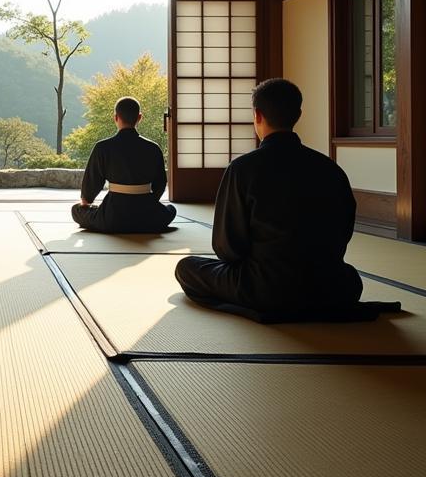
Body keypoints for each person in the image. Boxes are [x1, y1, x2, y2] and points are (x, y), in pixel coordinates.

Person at [175, 78, 364, 320]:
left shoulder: (242, 168)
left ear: (257, 115)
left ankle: (263, 307)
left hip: (266, 288)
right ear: (298, 114)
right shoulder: (330, 168)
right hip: (330, 288)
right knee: (351, 278)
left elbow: (227, 248)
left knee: (187, 268)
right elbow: (343, 233)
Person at [72, 96, 177, 233]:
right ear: (139, 117)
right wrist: (149, 203)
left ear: (116, 118)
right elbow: (160, 184)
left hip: (112, 218)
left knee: (76, 210)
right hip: (148, 218)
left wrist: (86, 203)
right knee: (171, 210)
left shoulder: (103, 147)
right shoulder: (153, 148)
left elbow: (92, 181)